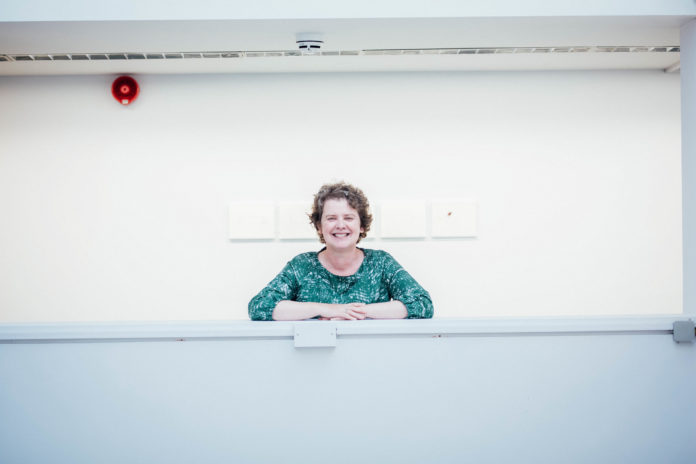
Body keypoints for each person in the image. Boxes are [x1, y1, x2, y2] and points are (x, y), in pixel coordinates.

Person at [248, 182, 433, 321]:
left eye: (349, 217)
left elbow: (422, 304)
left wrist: (355, 312)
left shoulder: (381, 262)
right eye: (331, 218)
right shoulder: (302, 265)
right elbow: (259, 307)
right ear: (319, 226)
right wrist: (327, 309)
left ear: (361, 225)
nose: (340, 225)